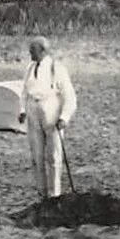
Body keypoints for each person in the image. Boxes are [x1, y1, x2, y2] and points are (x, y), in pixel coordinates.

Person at [19, 37, 78, 198]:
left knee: (53, 155)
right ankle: (42, 192)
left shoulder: (56, 68)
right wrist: (23, 110)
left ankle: (54, 194)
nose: (30, 54)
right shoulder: (30, 68)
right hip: (33, 109)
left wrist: (64, 117)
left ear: (43, 50)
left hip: (51, 109)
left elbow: (69, 95)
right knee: (37, 155)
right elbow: (24, 91)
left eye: (33, 51)